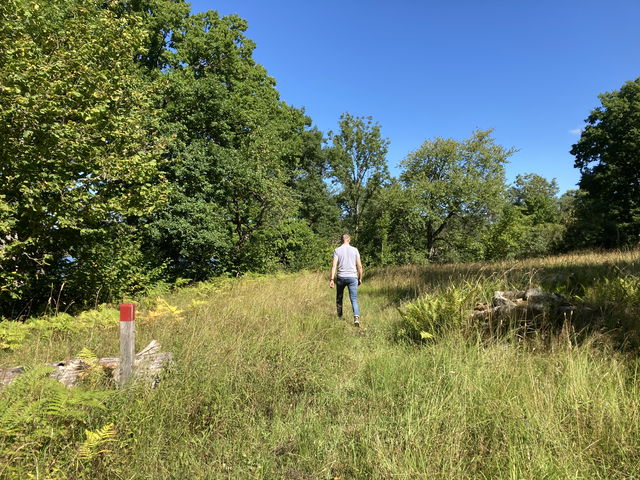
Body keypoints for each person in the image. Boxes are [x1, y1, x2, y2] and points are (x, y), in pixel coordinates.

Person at [329, 233, 363, 326]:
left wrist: (332, 279)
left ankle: (339, 317)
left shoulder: (337, 250)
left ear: (341, 240)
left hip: (341, 277)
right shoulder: (355, 250)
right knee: (354, 299)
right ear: (349, 240)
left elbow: (334, 266)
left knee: (339, 298)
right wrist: (360, 278)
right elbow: (359, 266)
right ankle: (356, 317)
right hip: (353, 277)